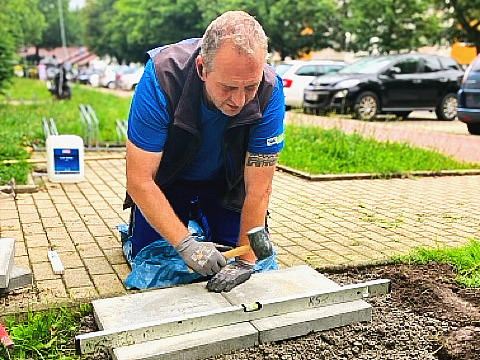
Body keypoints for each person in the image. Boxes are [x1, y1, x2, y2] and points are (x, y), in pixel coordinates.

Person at [124, 11, 285, 292]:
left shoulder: (270, 90)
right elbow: (139, 180)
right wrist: (187, 246)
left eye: (250, 87)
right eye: (228, 87)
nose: (240, 100)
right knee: (156, 257)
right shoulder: (162, 78)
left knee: (246, 256)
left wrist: (245, 261)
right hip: (168, 184)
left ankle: (205, 216)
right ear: (202, 68)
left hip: (225, 185)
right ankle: (176, 224)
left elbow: (259, 188)